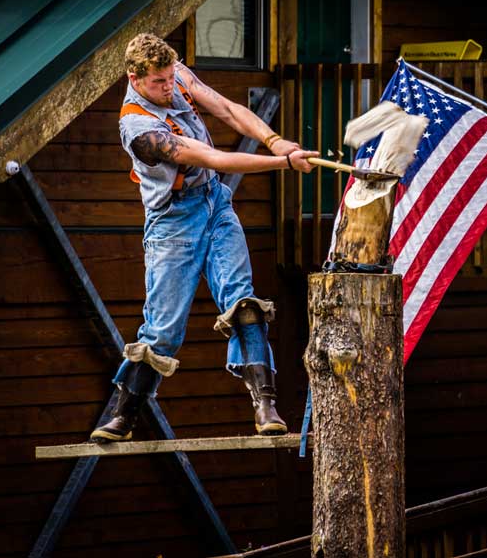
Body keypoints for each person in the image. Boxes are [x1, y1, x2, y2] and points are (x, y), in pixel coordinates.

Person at [90, 33, 317, 442]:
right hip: (174, 222)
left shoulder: (175, 74)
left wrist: (275, 139)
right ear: (135, 78)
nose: (168, 87)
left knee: (244, 304)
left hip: (215, 203)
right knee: (163, 330)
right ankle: (123, 415)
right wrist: (282, 162)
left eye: (170, 77)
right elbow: (212, 157)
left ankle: (265, 404)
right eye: (158, 82)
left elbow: (227, 109)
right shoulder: (138, 128)